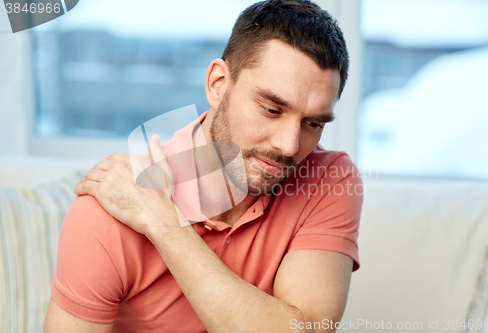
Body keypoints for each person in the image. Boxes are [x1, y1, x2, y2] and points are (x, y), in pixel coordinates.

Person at [44, 0, 363, 332]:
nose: (290, 146)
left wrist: (166, 227)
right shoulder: (109, 212)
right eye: (271, 109)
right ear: (218, 84)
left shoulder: (330, 178)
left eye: (313, 123)